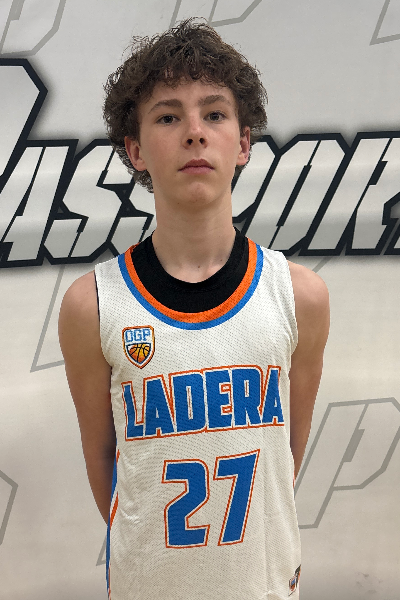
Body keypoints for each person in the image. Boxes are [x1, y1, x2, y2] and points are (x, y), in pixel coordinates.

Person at [59, 18, 329, 600]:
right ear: (134, 150)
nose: (194, 133)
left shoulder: (298, 296)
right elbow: (107, 468)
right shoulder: (93, 305)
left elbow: (284, 458)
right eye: (167, 117)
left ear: (244, 143)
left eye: (214, 113)